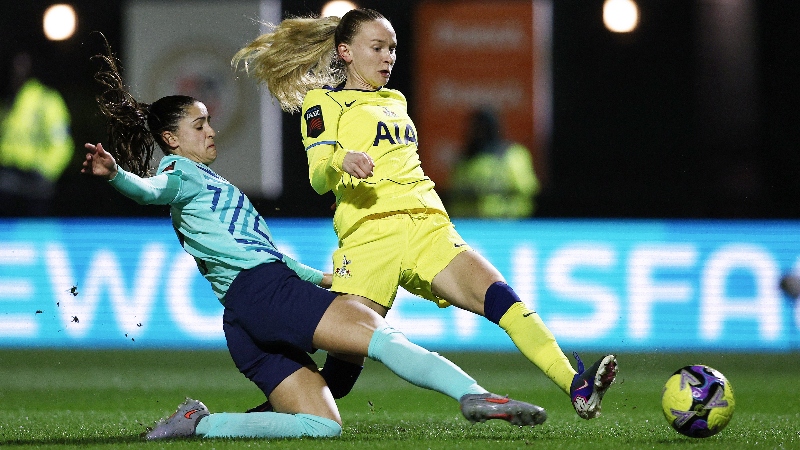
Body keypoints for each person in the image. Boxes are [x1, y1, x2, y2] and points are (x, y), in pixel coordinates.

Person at [82, 42, 547, 441]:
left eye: (207, 122)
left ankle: (200, 424)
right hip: (264, 293)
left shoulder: (206, 185)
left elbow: (265, 254)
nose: (210, 130)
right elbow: (148, 191)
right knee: (380, 338)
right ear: (170, 138)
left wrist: (321, 277)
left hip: (244, 316)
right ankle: (474, 395)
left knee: (321, 425)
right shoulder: (178, 172)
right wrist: (116, 175)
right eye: (199, 124)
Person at [233, 8, 616, 420]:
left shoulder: (396, 100)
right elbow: (318, 176)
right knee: (341, 375)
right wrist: (342, 160)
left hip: (428, 225)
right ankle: (245, 419)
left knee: (502, 298)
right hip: (369, 238)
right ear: (345, 52)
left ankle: (575, 385)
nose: (388, 57)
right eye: (377, 47)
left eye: (393, 49)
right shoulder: (323, 101)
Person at [0, 50, 74, 216]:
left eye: (22, 66)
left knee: (35, 234)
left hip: (35, 185)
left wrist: (45, 172)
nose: (17, 71)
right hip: (7, 181)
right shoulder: (8, 102)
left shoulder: (47, 100)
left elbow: (62, 144)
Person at [447, 107, 540, 218]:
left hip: (508, 224)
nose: (479, 133)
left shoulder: (513, 155)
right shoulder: (463, 160)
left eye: (484, 128)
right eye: (475, 128)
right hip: (470, 225)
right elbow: (453, 195)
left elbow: (528, 190)